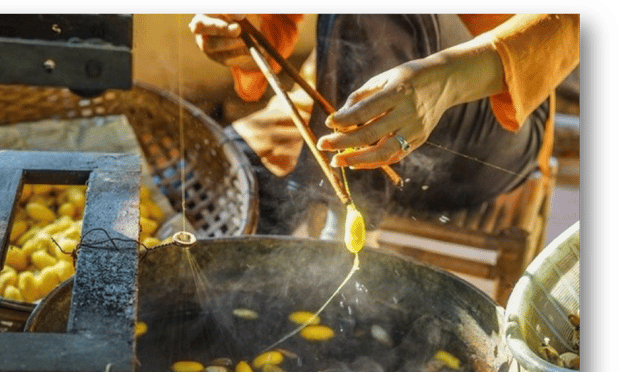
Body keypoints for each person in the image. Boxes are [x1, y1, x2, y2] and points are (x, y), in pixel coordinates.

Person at [189, 13, 580, 235]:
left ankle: (340, 244)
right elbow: (267, 19)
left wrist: (447, 80)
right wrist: (243, 33)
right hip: (342, 93)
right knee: (203, 186)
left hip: (485, 111)